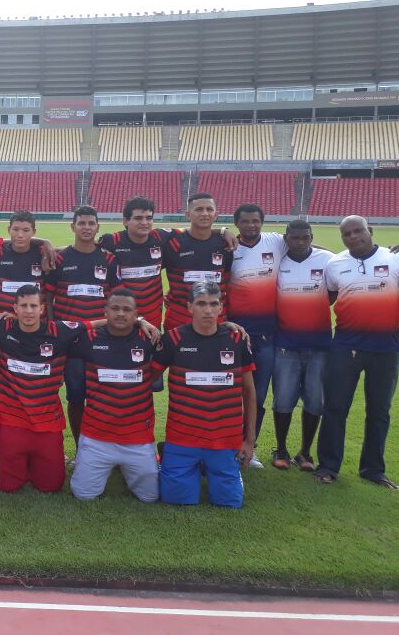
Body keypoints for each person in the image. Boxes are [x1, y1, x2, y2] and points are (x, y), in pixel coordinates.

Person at [315, 216, 399, 490]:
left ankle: (373, 470)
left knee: (379, 411)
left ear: (370, 230)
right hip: (345, 347)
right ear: (342, 238)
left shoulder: (397, 260)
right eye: (347, 234)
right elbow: (328, 297)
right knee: (335, 408)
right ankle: (328, 466)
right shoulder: (335, 265)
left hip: (385, 349)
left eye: (359, 231)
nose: (354, 237)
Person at [152, 281, 257, 508]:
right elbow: (146, 380)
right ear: (190, 307)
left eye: (213, 304)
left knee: (228, 503)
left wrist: (249, 440)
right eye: (201, 304)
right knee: (178, 501)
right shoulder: (173, 339)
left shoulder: (237, 339)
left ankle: (211, 468)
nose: (208, 310)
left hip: (224, 440)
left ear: (221, 307)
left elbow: (249, 392)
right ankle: (170, 457)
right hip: (182, 438)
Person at [0, 284, 84, 493]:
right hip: (12, 422)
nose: (29, 310)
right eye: (23, 306)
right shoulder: (1, 327)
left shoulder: (59, 331)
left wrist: (139, 322)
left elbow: (95, 324)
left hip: (47, 423)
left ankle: (36, 460)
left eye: (33, 306)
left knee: (51, 486)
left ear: (41, 309)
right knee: (7, 486)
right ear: (15, 308)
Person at [69, 289, 159, 502]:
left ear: (135, 313)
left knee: (151, 497)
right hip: (97, 437)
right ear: (105, 311)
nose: (120, 314)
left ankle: (160, 457)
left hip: (137, 438)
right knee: (83, 495)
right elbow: (52, 333)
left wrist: (229, 326)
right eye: (115, 309)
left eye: (127, 310)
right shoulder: (87, 339)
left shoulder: (149, 338)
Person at [45, 205, 122, 444]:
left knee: (105, 397)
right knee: (76, 397)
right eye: (82, 223)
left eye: (91, 224)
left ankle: (105, 446)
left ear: (98, 227)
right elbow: (47, 297)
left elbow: (117, 298)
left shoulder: (109, 259)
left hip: (101, 340)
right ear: (73, 227)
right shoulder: (59, 258)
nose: (86, 228)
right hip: (71, 341)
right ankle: (81, 448)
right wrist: (51, 329)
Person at [226, 204, 284, 468]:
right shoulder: (228, 248)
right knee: (227, 395)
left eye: (256, 221)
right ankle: (225, 445)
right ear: (237, 224)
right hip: (233, 337)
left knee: (257, 396)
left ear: (263, 222)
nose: (252, 226)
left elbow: (313, 252)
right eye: (246, 222)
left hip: (266, 337)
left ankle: (250, 446)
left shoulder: (276, 241)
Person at [271, 220, 332, 471]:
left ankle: (305, 452)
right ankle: (281, 448)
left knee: (315, 401)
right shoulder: (278, 260)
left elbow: (356, 261)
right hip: (286, 344)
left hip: (319, 346)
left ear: (311, 237)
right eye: (294, 238)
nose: (300, 242)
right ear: (286, 239)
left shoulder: (328, 259)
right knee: (283, 399)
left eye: (305, 237)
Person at [98, 197, 174, 329]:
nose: (145, 222)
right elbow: (84, 249)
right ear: (126, 221)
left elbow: (192, 232)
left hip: (153, 319)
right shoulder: (112, 241)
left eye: (149, 218)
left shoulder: (161, 237)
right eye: (138, 218)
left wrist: (221, 231)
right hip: (122, 318)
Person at [160, 193, 233, 331]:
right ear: (188, 214)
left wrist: (223, 231)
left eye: (209, 209)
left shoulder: (225, 245)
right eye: (199, 209)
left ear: (216, 214)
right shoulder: (173, 244)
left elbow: (227, 282)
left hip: (216, 323)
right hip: (178, 323)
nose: (205, 213)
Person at [0, 210, 55, 315]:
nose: (20, 235)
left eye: (26, 230)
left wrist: (45, 242)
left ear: (33, 232)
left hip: (36, 324)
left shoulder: (43, 254)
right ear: (9, 230)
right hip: (4, 323)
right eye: (15, 229)